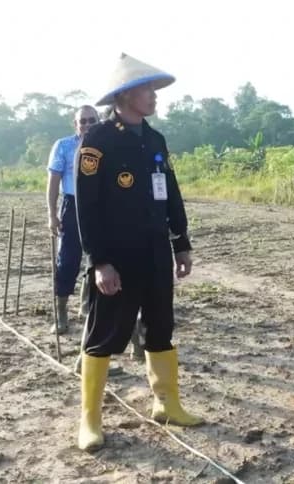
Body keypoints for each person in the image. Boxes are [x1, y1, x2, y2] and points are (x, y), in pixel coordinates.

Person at [74, 53, 203, 452]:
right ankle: (90, 420)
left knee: (161, 326)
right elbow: (86, 206)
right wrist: (99, 261)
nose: (154, 97)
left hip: (154, 251)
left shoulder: (154, 138)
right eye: (147, 89)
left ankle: (167, 403)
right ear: (126, 94)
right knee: (103, 335)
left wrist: (180, 242)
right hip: (117, 256)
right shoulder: (97, 141)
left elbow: (171, 193)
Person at [47, 105, 99, 334]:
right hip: (72, 207)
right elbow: (54, 180)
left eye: (92, 121)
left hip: (100, 208)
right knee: (67, 260)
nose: (88, 125)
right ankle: (61, 313)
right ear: (75, 124)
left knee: (98, 258)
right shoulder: (64, 146)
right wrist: (51, 214)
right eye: (83, 121)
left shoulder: (107, 144)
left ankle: (87, 306)